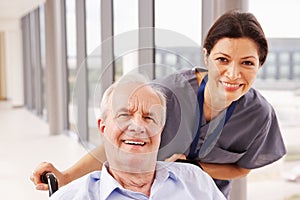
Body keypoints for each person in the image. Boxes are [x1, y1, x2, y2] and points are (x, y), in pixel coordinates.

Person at [30, 10, 286, 199]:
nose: (233, 74)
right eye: (222, 59)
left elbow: (242, 168)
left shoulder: (259, 115)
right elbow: (118, 139)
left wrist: (197, 170)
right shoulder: (167, 95)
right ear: (206, 57)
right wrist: (66, 176)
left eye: (247, 63)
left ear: (260, 65)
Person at [46, 75, 226, 199]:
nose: (138, 126)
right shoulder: (72, 197)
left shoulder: (196, 181)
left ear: (161, 130)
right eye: (124, 115)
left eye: (149, 117)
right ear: (103, 127)